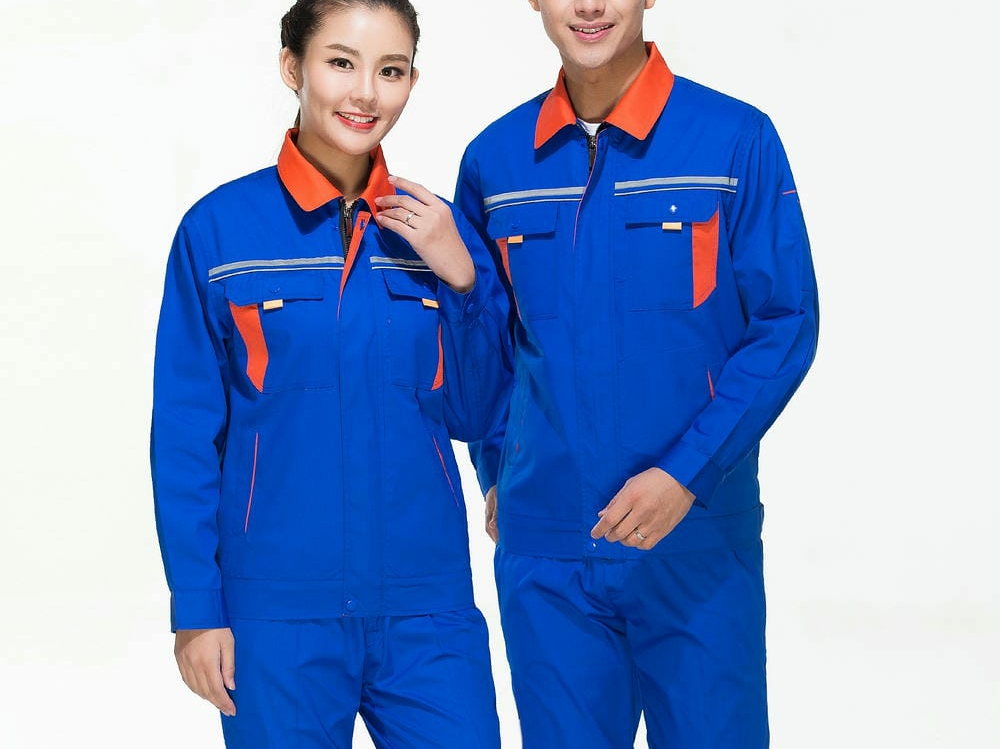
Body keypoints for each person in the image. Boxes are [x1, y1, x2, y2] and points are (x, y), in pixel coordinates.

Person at [455, 1, 819, 747]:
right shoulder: (496, 160)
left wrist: (687, 473)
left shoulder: (733, 139)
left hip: (695, 546)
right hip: (548, 554)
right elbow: (483, 340)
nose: (589, 6)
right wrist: (498, 468)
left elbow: (784, 323)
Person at [150, 1, 510, 746]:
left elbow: (479, 414)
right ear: (294, 67)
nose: (365, 93)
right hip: (275, 611)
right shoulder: (219, 232)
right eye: (341, 63)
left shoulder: (438, 230)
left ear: (412, 82)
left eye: (391, 71)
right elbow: (185, 435)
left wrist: (464, 283)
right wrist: (198, 607)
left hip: (426, 604)